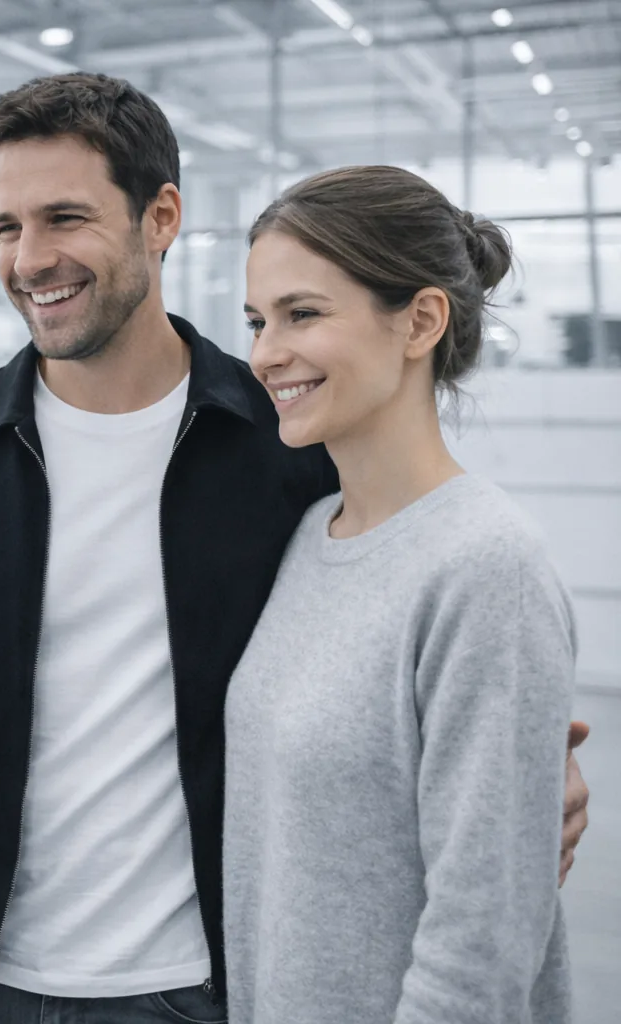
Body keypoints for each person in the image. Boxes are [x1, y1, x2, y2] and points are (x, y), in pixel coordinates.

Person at [0, 73, 592, 1023]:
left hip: (192, 985)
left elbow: (424, 620)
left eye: (65, 217)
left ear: (159, 216)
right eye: (6, 227)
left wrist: (516, 786)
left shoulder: (282, 444)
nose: (30, 259)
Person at [224, 167, 574, 1023]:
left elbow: (480, 947)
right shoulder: (311, 538)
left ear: (420, 320)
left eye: (303, 314)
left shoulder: (488, 567)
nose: (266, 352)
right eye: (258, 321)